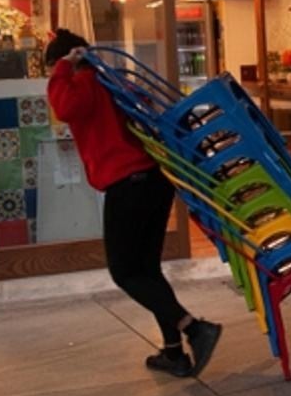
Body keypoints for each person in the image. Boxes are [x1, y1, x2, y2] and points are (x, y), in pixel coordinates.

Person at [46, 29, 221, 378]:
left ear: (67, 60)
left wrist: (63, 69)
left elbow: (63, 108)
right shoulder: (113, 81)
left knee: (125, 272)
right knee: (147, 270)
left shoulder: (84, 83)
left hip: (128, 184)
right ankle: (173, 353)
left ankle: (194, 330)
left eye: (52, 66)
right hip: (152, 180)